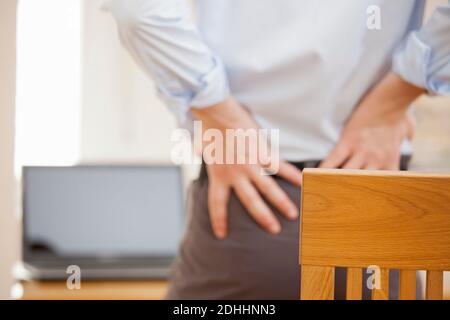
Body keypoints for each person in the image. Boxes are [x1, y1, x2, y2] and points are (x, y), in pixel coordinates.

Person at [106, 0, 450, 299]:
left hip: (256, 201)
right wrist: (398, 93)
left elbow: (137, 10)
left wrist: (218, 111)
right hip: (368, 189)